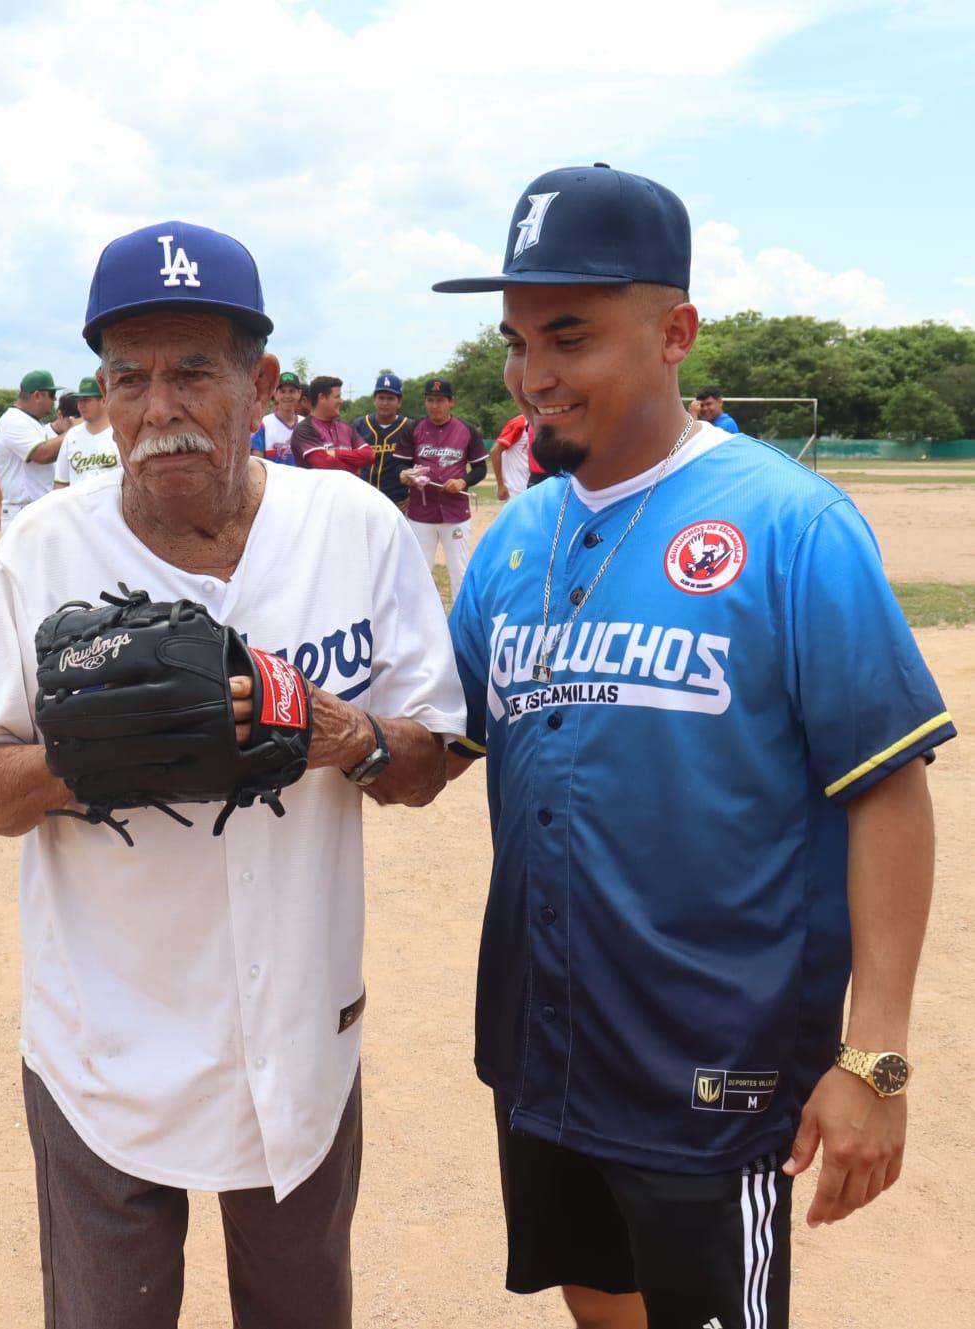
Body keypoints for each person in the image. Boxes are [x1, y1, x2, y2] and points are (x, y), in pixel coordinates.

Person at [434, 163, 954, 1329]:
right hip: (547, 1045)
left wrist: (876, 1059)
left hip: (716, 1064)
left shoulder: (790, 525)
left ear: (675, 331)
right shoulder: (511, 542)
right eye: (516, 342)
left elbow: (887, 792)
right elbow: (440, 748)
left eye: (569, 336)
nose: (534, 375)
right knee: (598, 1301)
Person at [0, 219, 465, 1329]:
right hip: (104, 1039)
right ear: (99, 395)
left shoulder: (353, 528)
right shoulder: (46, 550)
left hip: (302, 1025)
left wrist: (340, 734)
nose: (158, 407)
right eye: (128, 378)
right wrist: (97, 761)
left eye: (192, 372)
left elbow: (433, 755)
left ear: (260, 382)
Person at [393, 378, 488, 599]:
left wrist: (463, 481)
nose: (435, 405)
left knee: (459, 572)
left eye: (440, 400)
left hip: (455, 513)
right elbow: (400, 464)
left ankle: (459, 628)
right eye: (430, 400)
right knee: (419, 572)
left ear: (451, 402)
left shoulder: (466, 430)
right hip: (420, 513)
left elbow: (480, 468)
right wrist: (404, 474)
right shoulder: (413, 428)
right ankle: (419, 628)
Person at [0, 370, 71, 530]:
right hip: (21, 511)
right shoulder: (14, 421)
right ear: (37, 395)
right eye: (51, 395)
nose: (54, 400)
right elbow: (43, 454)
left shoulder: (30, 421)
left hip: (32, 509)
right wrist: (73, 432)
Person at [290, 376, 374, 476]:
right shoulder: (305, 429)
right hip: (319, 491)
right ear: (321, 397)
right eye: (337, 397)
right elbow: (326, 464)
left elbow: (370, 455)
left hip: (347, 491)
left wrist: (335, 452)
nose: (341, 401)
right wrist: (354, 468)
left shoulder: (346, 428)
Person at [353, 371, 415, 507]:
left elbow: (418, 465)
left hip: (398, 503)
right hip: (364, 501)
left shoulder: (410, 427)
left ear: (399, 402)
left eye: (390, 398)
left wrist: (413, 497)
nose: (385, 402)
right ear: (374, 399)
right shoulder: (360, 425)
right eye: (381, 397)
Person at [52, 377, 120, 489]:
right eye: (79, 400)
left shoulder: (118, 434)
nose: (81, 405)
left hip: (112, 504)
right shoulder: (71, 436)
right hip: (78, 505)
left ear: (103, 400)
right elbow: (61, 483)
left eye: (87, 400)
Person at [254, 369, 303, 464]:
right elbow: (257, 462)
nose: (287, 395)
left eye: (292, 391)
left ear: (299, 394)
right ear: (275, 394)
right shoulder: (264, 423)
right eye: (283, 391)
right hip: (273, 478)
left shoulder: (306, 425)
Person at [491, 413, 536, 501]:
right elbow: (495, 452)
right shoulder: (519, 423)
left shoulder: (544, 422)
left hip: (533, 485)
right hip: (515, 488)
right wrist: (500, 485)